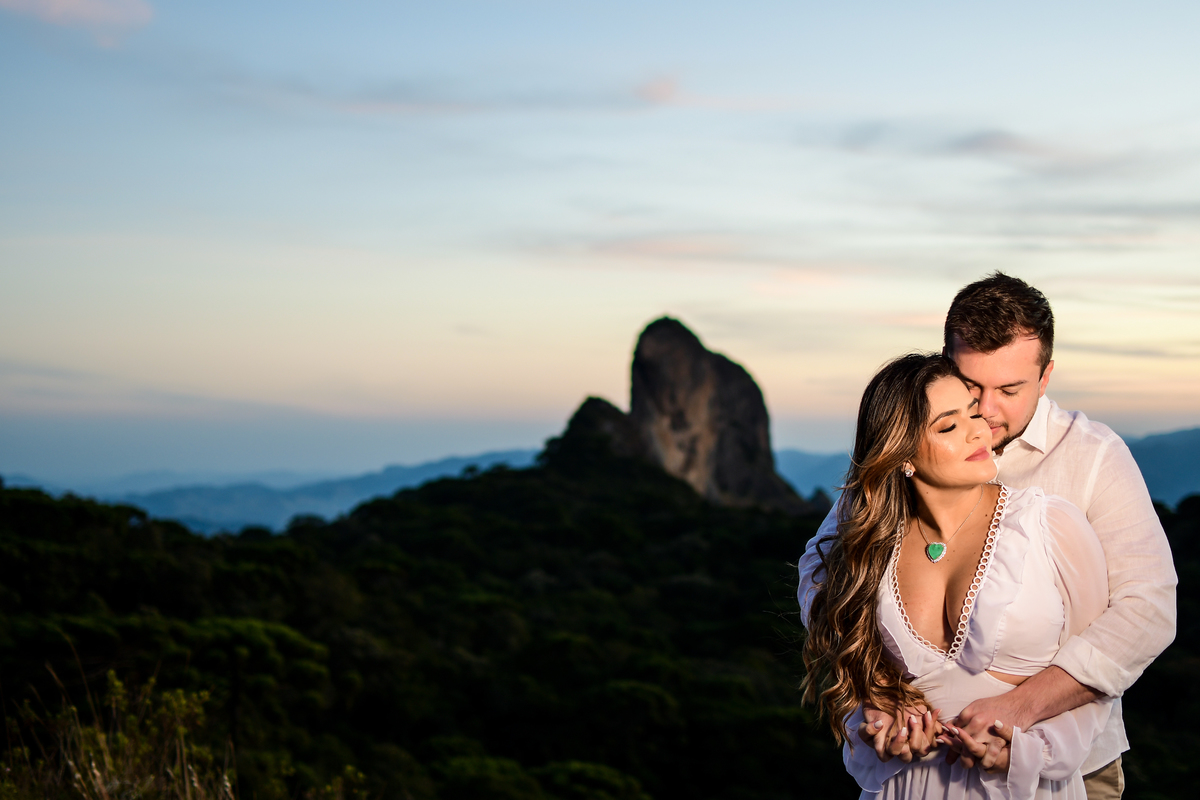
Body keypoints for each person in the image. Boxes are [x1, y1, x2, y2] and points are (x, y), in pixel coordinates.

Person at [797, 273, 1177, 799]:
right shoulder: (909, 454)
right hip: (915, 771)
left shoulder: (1092, 457)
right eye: (971, 387)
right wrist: (878, 691)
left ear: (1045, 376)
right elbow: (824, 572)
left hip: (1069, 760)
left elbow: (1147, 608)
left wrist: (1022, 711)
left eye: (1010, 390)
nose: (987, 411)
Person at [802, 352, 1112, 798]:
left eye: (973, 413)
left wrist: (1031, 751)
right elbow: (824, 604)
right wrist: (878, 705)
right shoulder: (871, 543)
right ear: (902, 455)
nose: (979, 431)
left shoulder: (1049, 525)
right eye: (949, 426)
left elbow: (1100, 663)